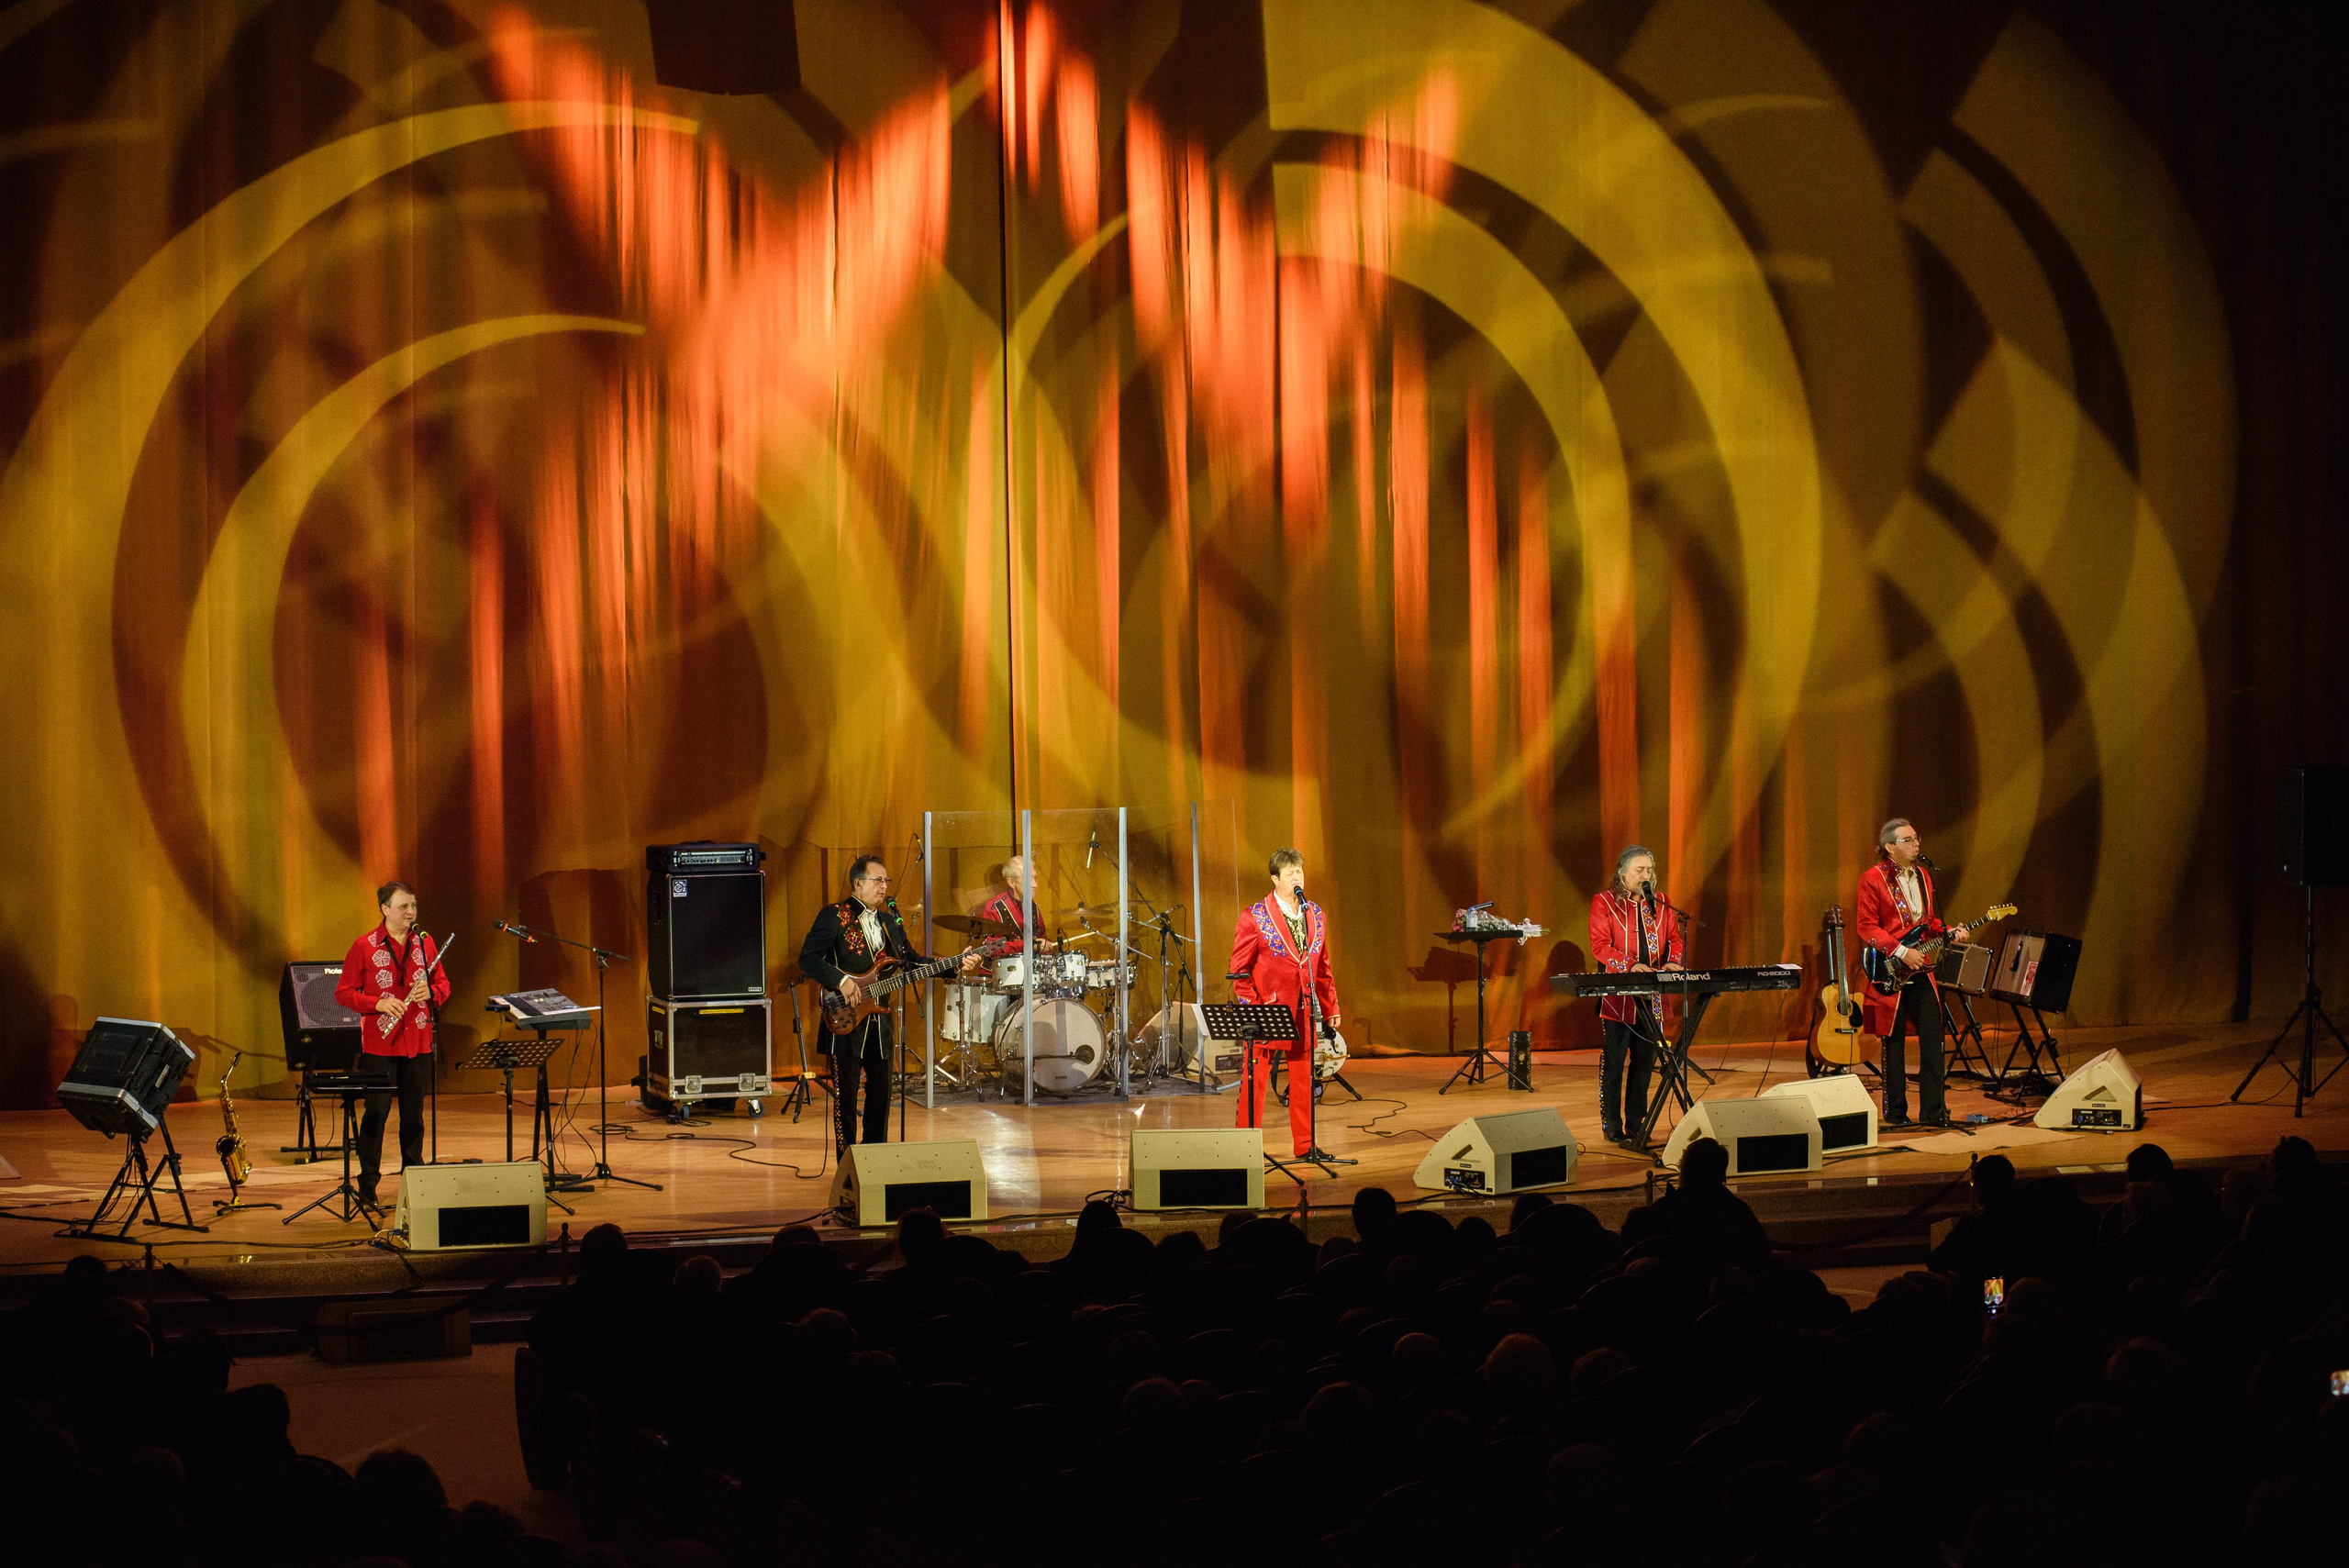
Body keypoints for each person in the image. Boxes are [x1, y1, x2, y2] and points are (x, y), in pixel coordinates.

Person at [799, 856, 979, 1151]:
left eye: (886, 881)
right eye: (877, 880)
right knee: (846, 1096)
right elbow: (808, 958)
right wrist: (841, 981)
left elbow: (912, 962)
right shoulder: (834, 915)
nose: (883, 887)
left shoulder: (888, 921)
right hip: (844, 1018)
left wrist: (955, 965)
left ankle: (875, 1158)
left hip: (879, 1021)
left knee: (881, 1093)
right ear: (858, 883)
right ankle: (847, 1163)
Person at [332, 880, 450, 1210]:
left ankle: (414, 1181)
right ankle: (368, 1183)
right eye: (404, 907)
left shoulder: (425, 944)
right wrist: (378, 1004)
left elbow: (443, 983)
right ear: (385, 909)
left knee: (413, 1116)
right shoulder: (364, 946)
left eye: (413, 906)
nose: (411, 912)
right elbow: (343, 993)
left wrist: (434, 993)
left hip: (418, 1040)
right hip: (381, 1045)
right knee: (377, 1113)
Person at [1228, 849, 1341, 1161]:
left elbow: (1322, 966)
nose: (1297, 878)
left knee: (1304, 1081)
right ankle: (1244, 1147)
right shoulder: (1254, 917)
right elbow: (1239, 970)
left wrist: (1331, 1007)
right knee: (1255, 1082)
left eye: (1299, 873)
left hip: (1304, 1010)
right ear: (1275, 879)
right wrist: (1252, 1009)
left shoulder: (1315, 914)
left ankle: (1306, 1146)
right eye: (1290, 874)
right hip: (1267, 1011)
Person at [1855, 818, 1968, 1128]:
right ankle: (1895, 1113)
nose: (1916, 843)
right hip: (1890, 966)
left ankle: (1934, 1111)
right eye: (1908, 839)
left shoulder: (1922, 875)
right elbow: (1866, 926)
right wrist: (1901, 951)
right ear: (1890, 847)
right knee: (1893, 1042)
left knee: (1934, 1037)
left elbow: (1927, 921)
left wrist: (1949, 930)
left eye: (1916, 838)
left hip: (1921, 969)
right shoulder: (1873, 878)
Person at [1586, 845, 1684, 1149]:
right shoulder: (1604, 902)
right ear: (1623, 873)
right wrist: (1630, 965)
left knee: (1644, 1062)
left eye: (1649, 871)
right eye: (1639, 871)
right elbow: (1600, 946)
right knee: (1614, 1063)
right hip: (1618, 998)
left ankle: (1638, 1120)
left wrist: (1673, 960)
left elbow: (1675, 939)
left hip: (1653, 996)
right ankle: (1612, 1125)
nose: (1646, 876)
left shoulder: (1661, 902)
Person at [977, 855, 1059, 955]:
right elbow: (991, 947)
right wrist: (1029, 945)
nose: (1035, 885)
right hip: (998, 970)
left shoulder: (1033, 906)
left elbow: (1039, 938)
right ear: (1011, 882)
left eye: (1035, 878)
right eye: (1029, 879)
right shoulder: (994, 908)